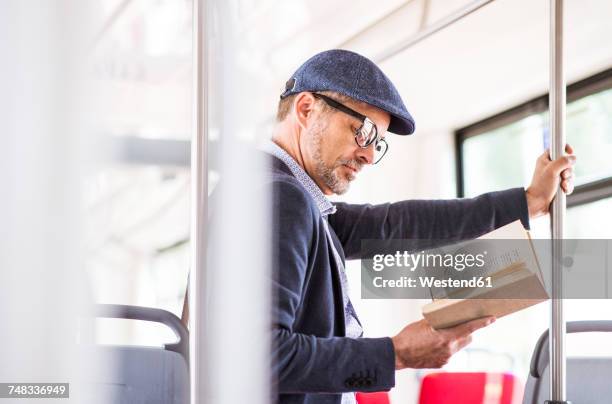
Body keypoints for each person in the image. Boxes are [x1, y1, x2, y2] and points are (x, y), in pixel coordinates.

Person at [265, 49, 575, 404]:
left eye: (377, 143)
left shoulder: (295, 201)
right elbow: (258, 356)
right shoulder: (276, 196)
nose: (368, 155)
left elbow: (394, 225)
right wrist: (396, 354)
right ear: (306, 109)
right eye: (362, 131)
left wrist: (528, 201)